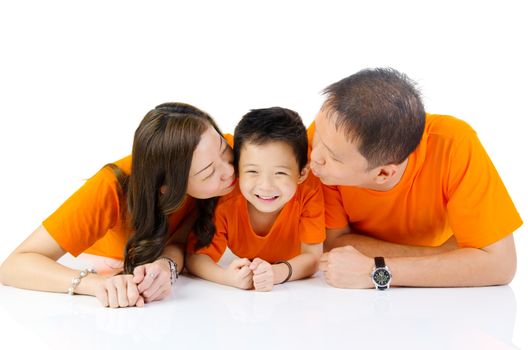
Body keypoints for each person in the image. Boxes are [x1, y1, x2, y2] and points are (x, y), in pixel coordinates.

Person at [0, 102, 236, 307]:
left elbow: (180, 239)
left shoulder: (214, 150)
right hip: (105, 262)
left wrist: (167, 266)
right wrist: (99, 284)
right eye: (208, 173)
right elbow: (14, 265)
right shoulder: (110, 188)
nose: (229, 170)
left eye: (225, 150)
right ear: (167, 186)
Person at [310, 68, 523, 289]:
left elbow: (501, 264)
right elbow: (332, 244)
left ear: (383, 173)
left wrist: (375, 270)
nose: (313, 155)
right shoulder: (327, 139)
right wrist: (446, 255)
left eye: (333, 158)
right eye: (317, 131)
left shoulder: (453, 144)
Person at [186, 107, 325, 291]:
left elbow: (313, 257)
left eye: (280, 173)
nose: (266, 186)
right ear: (237, 169)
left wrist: (276, 273)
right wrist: (227, 277)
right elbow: (196, 257)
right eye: (252, 171)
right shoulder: (226, 200)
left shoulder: (308, 192)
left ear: (302, 173)